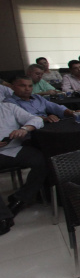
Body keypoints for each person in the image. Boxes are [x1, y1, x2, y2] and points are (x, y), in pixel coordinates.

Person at [0, 101, 45, 235]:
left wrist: (24, 129)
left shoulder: (8, 107)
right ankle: (3, 216)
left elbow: (36, 119)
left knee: (43, 161)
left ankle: (20, 199)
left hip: (14, 148)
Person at [5, 75, 80, 122]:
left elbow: (55, 107)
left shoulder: (37, 97)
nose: (27, 89)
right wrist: (44, 119)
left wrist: (72, 112)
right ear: (12, 87)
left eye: (30, 86)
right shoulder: (8, 103)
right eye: (22, 86)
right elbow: (23, 118)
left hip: (47, 125)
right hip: (29, 132)